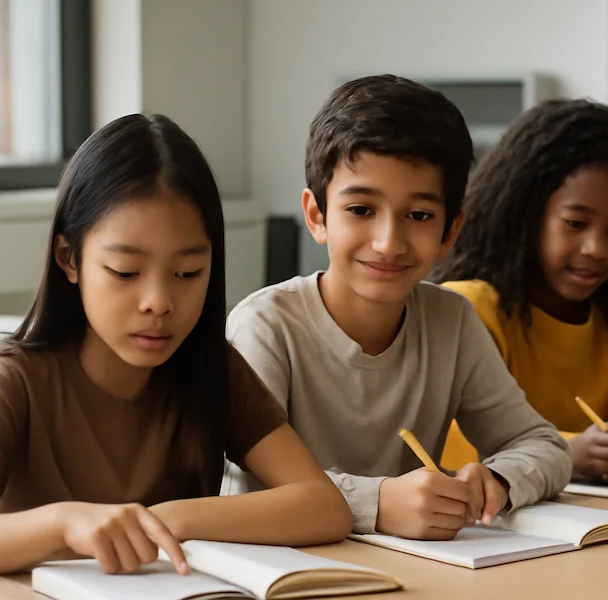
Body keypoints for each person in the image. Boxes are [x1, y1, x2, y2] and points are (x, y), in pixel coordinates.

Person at [0, 114, 352, 575]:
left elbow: (322, 506)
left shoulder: (210, 368)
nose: (159, 303)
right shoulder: (17, 381)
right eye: (125, 272)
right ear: (70, 259)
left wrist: (165, 520)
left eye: (188, 274)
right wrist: (62, 524)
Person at [225, 75, 572, 540]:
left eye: (420, 216)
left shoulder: (452, 321)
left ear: (450, 231)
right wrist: (378, 503)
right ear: (317, 216)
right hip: (288, 568)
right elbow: (245, 487)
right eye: (361, 210)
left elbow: (542, 444)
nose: (389, 243)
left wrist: (498, 480)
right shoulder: (266, 325)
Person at [432, 98, 608, 482]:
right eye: (576, 223)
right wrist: (566, 454)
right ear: (523, 215)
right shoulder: (472, 308)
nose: (596, 248)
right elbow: (453, 441)